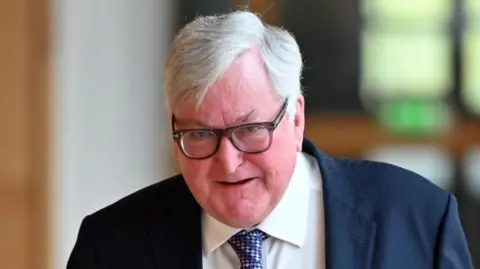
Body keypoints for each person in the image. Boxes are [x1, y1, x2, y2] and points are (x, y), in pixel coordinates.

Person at [67, 10, 473, 269]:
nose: (228, 162)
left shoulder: (417, 220)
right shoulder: (111, 247)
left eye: (249, 130)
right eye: (200, 134)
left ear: (296, 119)